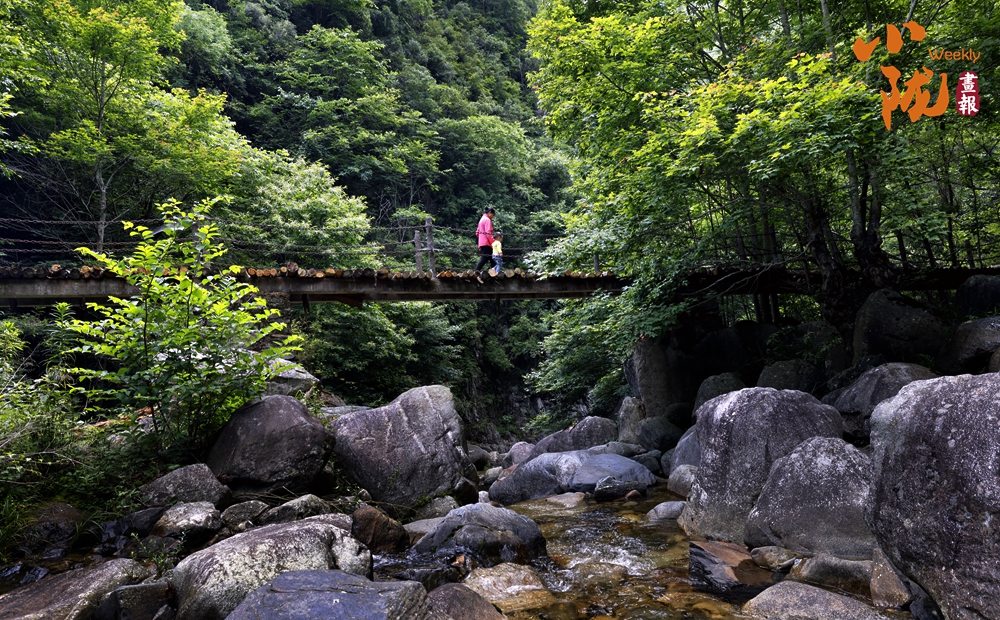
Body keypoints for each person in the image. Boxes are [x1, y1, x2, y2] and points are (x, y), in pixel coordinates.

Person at [474, 207, 495, 271]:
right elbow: (488, 233)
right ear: (490, 213)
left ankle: (496, 272)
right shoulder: (487, 220)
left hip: (482, 242)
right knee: (484, 258)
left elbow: (477, 233)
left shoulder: (481, 219)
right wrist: (493, 242)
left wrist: (481, 237)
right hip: (487, 242)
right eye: (493, 215)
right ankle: (475, 271)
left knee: (492, 258)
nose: (492, 217)